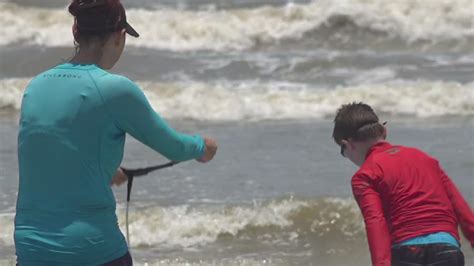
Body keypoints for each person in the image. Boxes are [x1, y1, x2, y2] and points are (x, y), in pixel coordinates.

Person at [14, 0, 218, 265]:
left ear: (76, 32)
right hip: (91, 249)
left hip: (31, 250)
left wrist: (108, 170)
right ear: (119, 37)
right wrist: (202, 147)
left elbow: (51, 151)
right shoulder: (116, 89)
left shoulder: (35, 87)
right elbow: (174, 147)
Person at [332, 102, 473, 266]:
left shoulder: (364, 175)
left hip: (407, 252)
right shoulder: (425, 159)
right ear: (384, 131)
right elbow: (459, 206)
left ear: (347, 145)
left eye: (344, 153)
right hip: (447, 250)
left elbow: (375, 222)